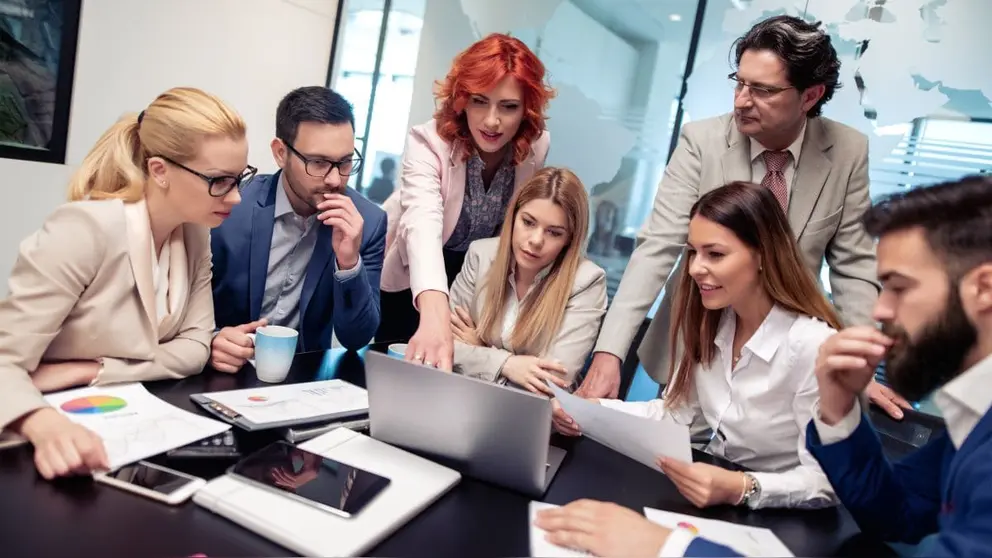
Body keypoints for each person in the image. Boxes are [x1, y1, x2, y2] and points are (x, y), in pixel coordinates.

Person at [536, 176, 992, 557]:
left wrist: (667, 547)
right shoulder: (970, 423)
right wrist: (837, 414)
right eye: (693, 253)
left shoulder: (809, 342)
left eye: (898, 287)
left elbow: (841, 495)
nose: (880, 311)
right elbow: (894, 514)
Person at [573, 15, 910, 420]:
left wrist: (857, 367)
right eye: (740, 83)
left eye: (763, 90)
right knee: (671, 444)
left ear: (810, 96)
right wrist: (609, 353)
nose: (741, 101)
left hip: (785, 355)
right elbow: (658, 246)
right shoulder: (702, 142)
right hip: (697, 342)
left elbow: (854, 268)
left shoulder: (847, 152)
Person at [0, 87, 251, 480]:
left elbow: (195, 349)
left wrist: (90, 370)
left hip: (121, 425)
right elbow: (4, 363)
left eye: (240, 178)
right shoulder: (85, 229)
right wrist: (42, 424)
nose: (235, 198)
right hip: (43, 435)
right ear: (159, 170)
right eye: (219, 181)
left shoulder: (196, 233)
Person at [556, 182, 840, 511]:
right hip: (719, 499)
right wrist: (585, 410)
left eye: (714, 254)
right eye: (693, 252)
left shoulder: (813, 345)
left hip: (783, 515)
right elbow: (674, 415)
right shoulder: (714, 321)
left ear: (763, 254)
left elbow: (827, 481)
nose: (694, 268)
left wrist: (743, 486)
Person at [378, 32, 555, 371]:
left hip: (476, 278)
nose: (491, 121)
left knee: (460, 373)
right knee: (397, 369)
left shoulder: (536, 146)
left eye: (508, 106)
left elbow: (516, 226)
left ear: (526, 110)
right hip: (416, 273)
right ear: (461, 99)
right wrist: (434, 315)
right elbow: (423, 225)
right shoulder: (428, 142)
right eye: (479, 101)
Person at [209, 87, 386, 373]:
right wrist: (211, 340)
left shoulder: (367, 221)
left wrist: (349, 264)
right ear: (281, 153)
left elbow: (356, 337)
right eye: (318, 162)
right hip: (223, 370)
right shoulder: (230, 207)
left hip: (301, 378)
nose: (334, 179)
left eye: (344, 162)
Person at [448, 167, 607, 393]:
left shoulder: (587, 282)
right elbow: (445, 345)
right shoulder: (481, 254)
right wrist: (508, 364)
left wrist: (480, 351)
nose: (536, 240)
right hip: (462, 397)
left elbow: (550, 382)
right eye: (529, 222)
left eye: (554, 232)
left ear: (569, 239)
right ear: (513, 216)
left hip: (528, 412)